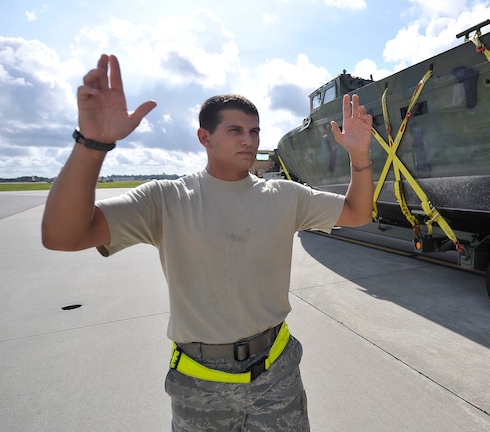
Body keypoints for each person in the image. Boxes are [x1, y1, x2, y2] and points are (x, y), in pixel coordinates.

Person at [42, 54, 375, 432]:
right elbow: (62, 236)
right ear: (205, 137)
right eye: (235, 131)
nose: (249, 141)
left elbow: (356, 212)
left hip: (276, 371)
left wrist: (359, 155)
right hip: (201, 382)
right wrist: (92, 144)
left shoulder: (285, 196)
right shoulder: (166, 199)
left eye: (254, 131)